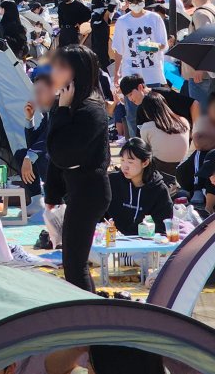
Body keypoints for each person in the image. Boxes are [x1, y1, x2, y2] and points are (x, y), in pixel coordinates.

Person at [45, 44, 111, 291]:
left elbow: (62, 151)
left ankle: (89, 315)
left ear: (77, 72)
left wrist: (61, 110)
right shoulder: (67, 103)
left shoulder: (91, 109)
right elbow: (54, 151)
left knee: (75, 263)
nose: (54, 71)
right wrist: (52, 193)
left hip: (90, 191)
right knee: (72, 261)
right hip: (77, 188)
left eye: (62, 67)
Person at [111, 0, 168, 134]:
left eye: (139, 1)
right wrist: (117, 73)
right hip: (131, 74)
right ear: (127, 2)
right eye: (133, 1)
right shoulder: (122, 22)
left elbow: (164, 44)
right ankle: (137, 148)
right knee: (133, 116)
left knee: (157, 114)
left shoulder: (155, 18)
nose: (136, 4)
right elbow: (119, 50)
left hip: (153, 73)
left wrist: (151, 46)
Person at [105, 137, 173, 235]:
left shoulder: (159, 190)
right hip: (111, 241)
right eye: (122, 160)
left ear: (145, 163)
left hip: (144, 245)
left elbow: (163, 225)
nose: (125, 166)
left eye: (130, 162)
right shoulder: (112, 182)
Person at [13, 69, 54, 205]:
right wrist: (29, 119)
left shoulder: (60, 108)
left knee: (39, 156)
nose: (36, 97)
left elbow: (49, 136)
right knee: (21, 154)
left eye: (40, 92)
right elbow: (34, 142)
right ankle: (36, 200)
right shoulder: (48, 113)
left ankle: (53, 200)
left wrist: (29, 156)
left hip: (69, 164)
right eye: (35, 92)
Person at [137, 91, 190, 177]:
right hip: (183, 165)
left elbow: (144, 151)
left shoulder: (147, 127)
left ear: (146, 110)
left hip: (161, 168)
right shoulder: (184, 121)